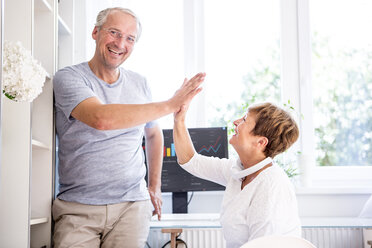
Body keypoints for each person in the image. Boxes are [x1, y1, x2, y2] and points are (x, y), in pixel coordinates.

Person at [52, 7, 205, 248]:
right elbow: (101, 119)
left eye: (129, 38)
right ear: (95, 32)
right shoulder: (69, 78)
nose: (120, 43)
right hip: (77, 208)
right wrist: (170, 104)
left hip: (131, 206)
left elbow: (153, 134)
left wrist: (154, 186)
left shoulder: (139, 83)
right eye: (114, 32)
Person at [173, 102, 301, 248]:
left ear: (260, 142)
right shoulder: (239, 170)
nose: (236, 122)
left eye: (245, 119)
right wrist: (179, 119)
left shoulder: (271, 185)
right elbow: (191, 161)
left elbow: (262, 245)